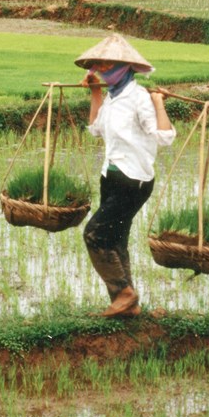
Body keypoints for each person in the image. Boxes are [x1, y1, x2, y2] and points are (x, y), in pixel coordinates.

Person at [75, 34, 176, 318]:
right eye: (99, 65)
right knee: (115, 239)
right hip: (111, 176)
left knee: (94, 234)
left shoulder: (139, 98)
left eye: (108, 65)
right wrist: (95, 92)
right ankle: (126, 305)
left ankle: (124, 293)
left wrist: (158, 103)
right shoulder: (111, 97)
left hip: (134, 181)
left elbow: (165, 137)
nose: (102, 69)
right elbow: (95, 128)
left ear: (124, 66)